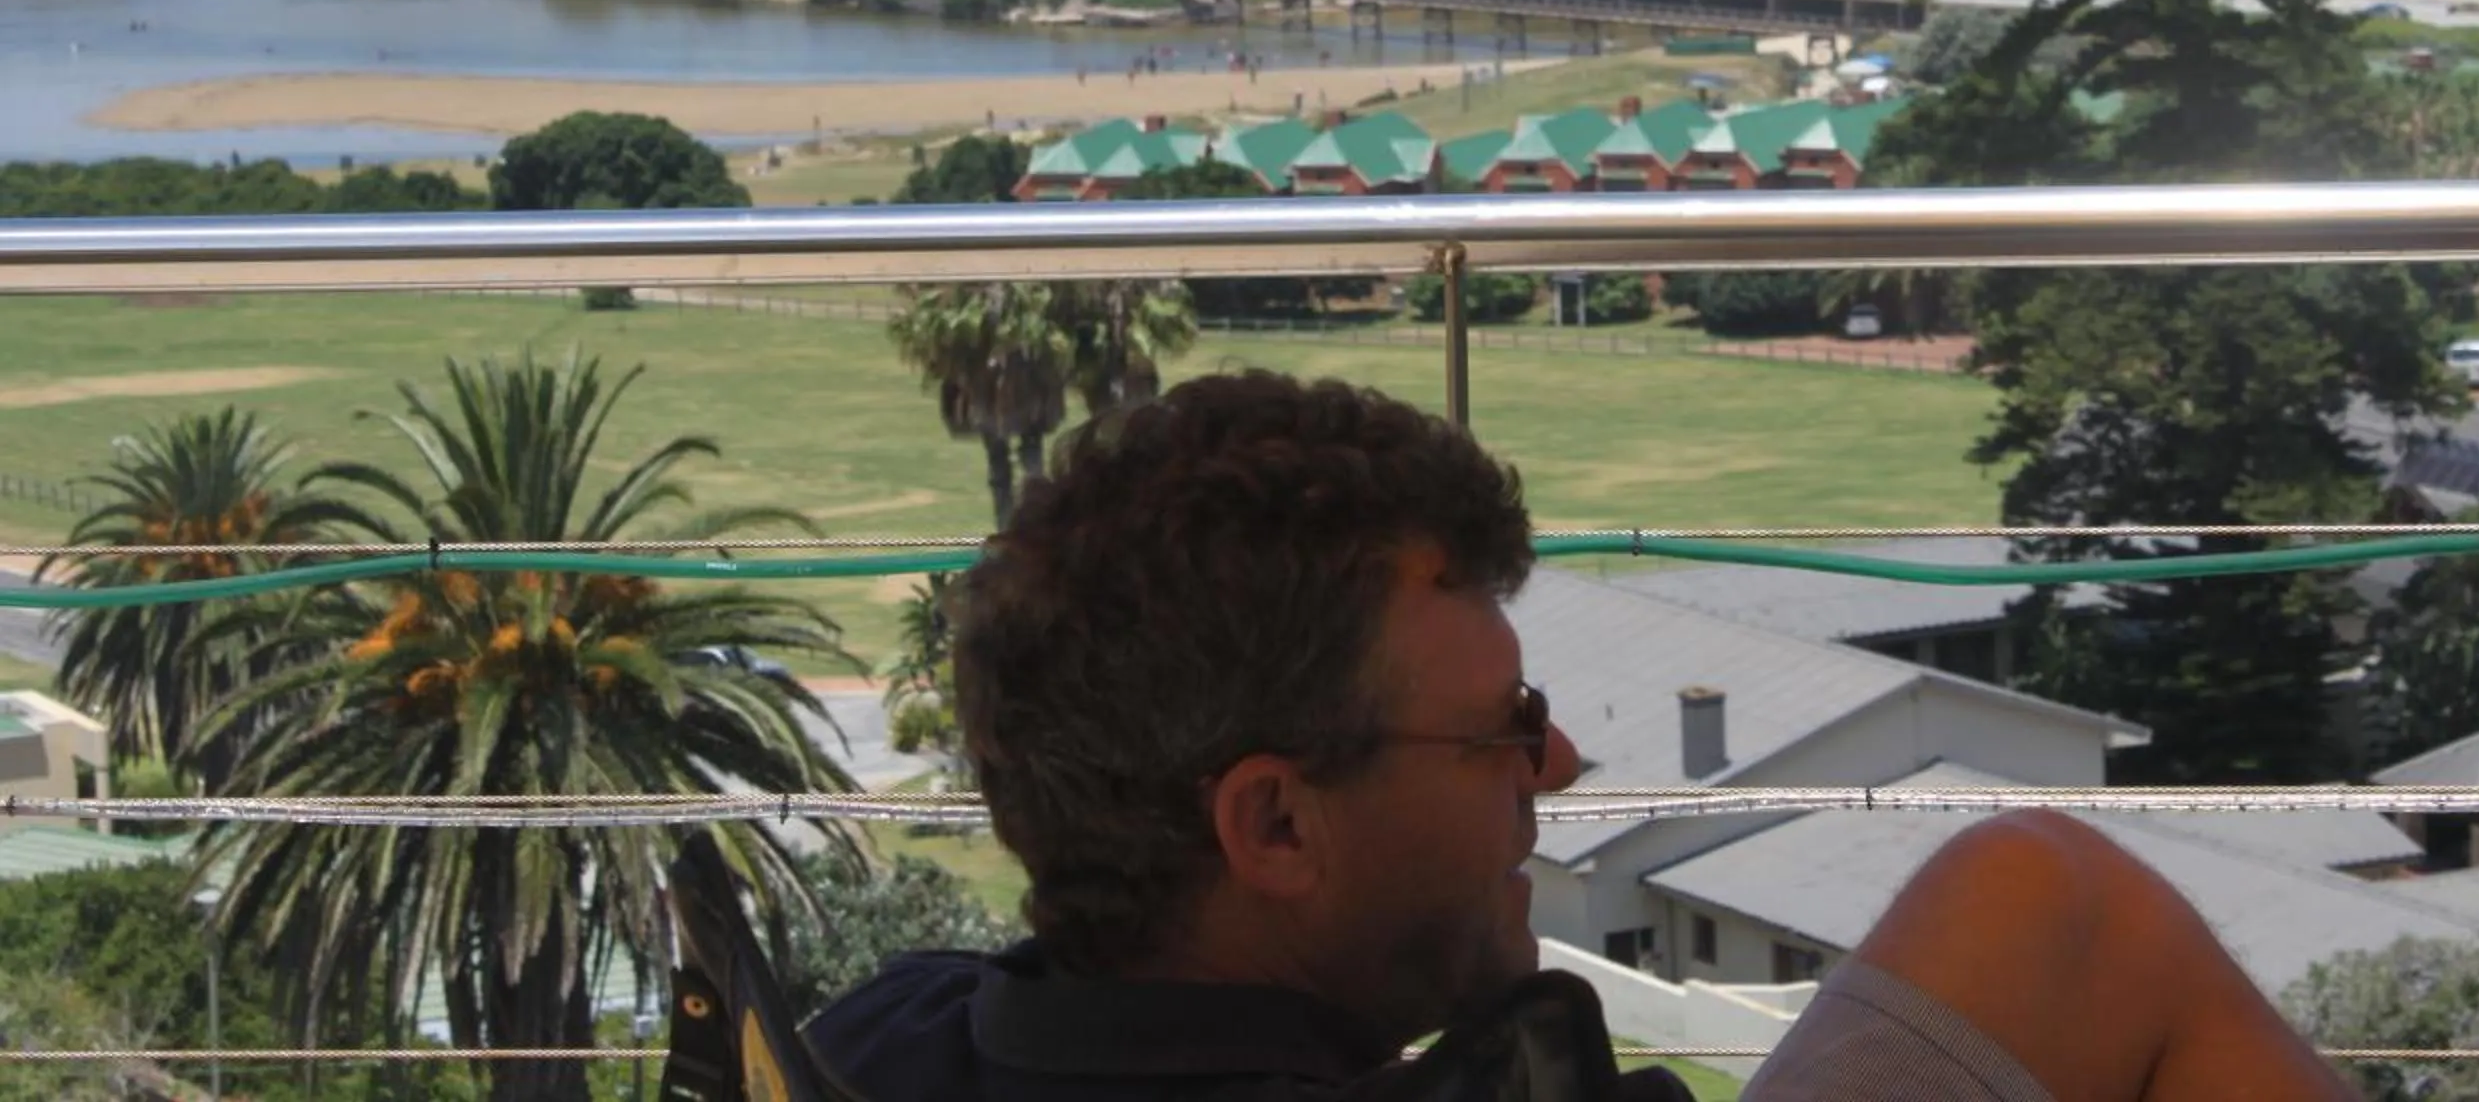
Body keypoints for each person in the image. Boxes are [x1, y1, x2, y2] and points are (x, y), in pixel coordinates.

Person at [807, 373, 2352, 1101]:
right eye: (1501, 733)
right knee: (2055, 901)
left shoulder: (887, 1044)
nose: (1552, 770)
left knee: (2040, 904)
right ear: (1274, 825)